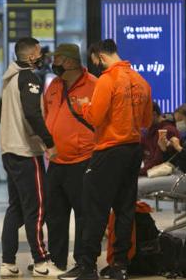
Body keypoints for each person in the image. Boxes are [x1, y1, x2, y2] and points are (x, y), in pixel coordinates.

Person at [62, 39, 152, 280]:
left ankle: (88, 266)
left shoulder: (107, 80)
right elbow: (146, 122)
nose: (96, 68)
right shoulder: (141, 81)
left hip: (108, 151)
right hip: (133, 151)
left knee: (94, 209)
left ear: (100, 57)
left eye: (95, 63)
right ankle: (120, 265)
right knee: (124, 210)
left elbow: (95, 117)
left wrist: (84, 106)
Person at [0, 37, 62, 278]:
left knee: (16, 209)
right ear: (29, 55)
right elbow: (33, 114)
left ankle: (8, 262)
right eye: (38, 52)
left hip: (8, 151)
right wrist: (49, 142)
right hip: (26, 153)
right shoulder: (29, 79)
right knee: (36, 207)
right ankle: (41, 262)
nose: (41, 55)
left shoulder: (9, 78)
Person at [43, 44, 97, 273]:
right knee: (54, 215)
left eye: (58, 59)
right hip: (55, 162)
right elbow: (47, 114)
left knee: (85, 215)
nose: (54, 63)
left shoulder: (94, 85)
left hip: (83, 160)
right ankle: (57, 260)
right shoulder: (54, 85)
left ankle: (84, 263)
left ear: (72, 62)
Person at [137, 104, 186, 197]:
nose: (178, 124)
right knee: (137, 182)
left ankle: (138, 211)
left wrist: (179, 148)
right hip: (177, 175)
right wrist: (164, 149)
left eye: (181, 120)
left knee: (138, 186)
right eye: (177, 121)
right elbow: (174, 161)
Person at [139, 101, 180, 174]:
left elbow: (158, 161)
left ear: (154, 114)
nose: (141, 121)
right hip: (153, 170)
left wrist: (138, 172)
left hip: (165, 172)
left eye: (144, 116)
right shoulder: (149, 131)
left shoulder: (166, 131)